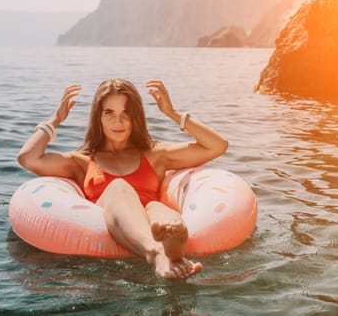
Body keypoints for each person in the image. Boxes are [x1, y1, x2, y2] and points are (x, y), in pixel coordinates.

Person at [17, 79, 228, 279]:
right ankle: (157, 253)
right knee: (119, 187)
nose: (118, 121)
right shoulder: (81, 161)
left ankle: (173, 244)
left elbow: (217, 146)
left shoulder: (154, 154)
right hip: (114, 217)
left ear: (136, 117)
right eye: (109, 113)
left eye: (126, 112)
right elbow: (28, 158)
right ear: (97, 117)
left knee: (157, 208)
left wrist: (172, 113)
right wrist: (56, 119)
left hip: (149, 217)